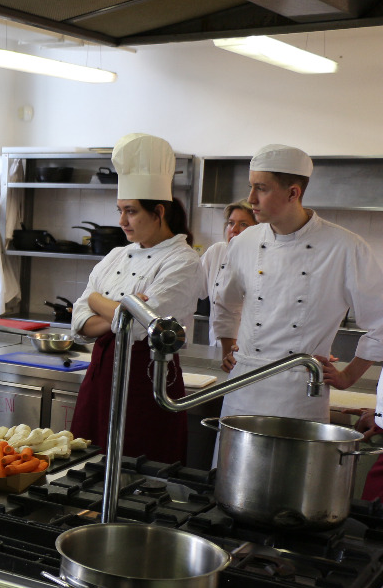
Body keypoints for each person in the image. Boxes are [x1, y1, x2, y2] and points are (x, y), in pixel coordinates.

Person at [212, 144, 383, 422]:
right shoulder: (244, 242)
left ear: (293, 193)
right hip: (242, 387)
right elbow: (225, 302)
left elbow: (381, 321)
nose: (251, 198)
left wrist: (348, 376)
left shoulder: (344, 247)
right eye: (251, 186)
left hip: (299, 395)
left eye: (261, 188)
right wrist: (227, 347)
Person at [70, 133, 204, 463]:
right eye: (120, 210)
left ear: (158, 211)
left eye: (130, 212)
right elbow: (79, 318)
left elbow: (144, 325)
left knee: (141, 471)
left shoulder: (183, 261)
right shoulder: (116, 254)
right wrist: (122, 308)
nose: (121, 222)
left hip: (147, 384)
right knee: (88, 465)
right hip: (100, 378)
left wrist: (100, 302)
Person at [197, 200, 256, 346]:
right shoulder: (217, 251)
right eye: (231, 223)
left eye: (243, 224)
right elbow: (194, 288)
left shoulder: (264, 260)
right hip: (217, 347)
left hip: (250, 349)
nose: (234, 229)